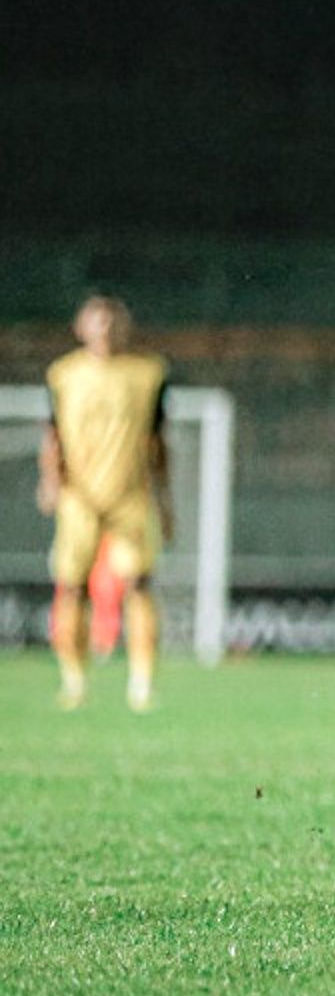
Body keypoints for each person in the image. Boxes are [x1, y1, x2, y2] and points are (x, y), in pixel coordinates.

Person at [38, 294, 171, 712]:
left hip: (130, 494)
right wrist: (50, 481)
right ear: (81, 328)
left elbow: (158, 441)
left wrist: (166, 499)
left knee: (138, 584)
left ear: (125, 327)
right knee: (72, 588)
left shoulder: (149, 374)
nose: (106, 330)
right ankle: (74, 679)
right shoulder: (63, 375)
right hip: (80, 497)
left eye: (113, 322)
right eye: (97, 323)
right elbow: (53, 435)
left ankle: (142, 681)